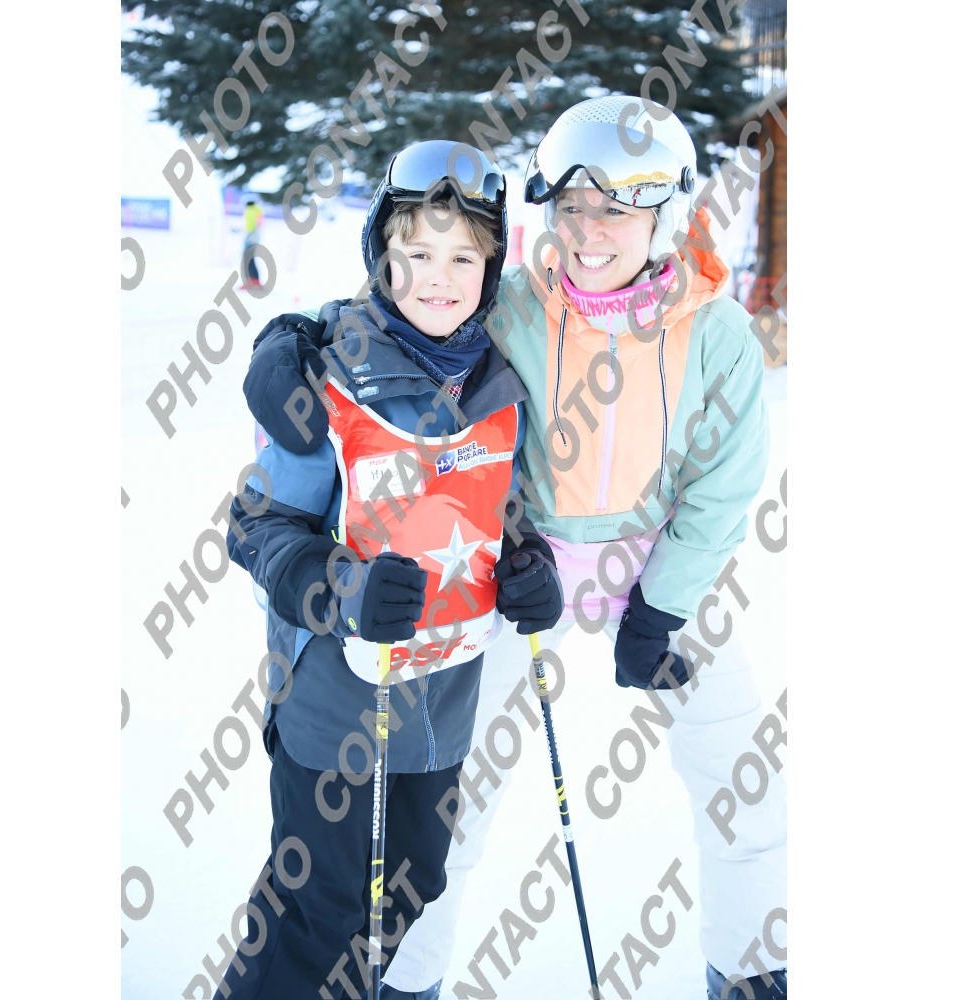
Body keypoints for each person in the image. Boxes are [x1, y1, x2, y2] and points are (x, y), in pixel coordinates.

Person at [239, 99, 786, 1000]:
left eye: (615, 210)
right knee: (457, 793)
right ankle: (405, 979)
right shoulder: (519, 305)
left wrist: (661, 608)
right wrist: (290, 335)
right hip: (521, 566)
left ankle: (756, 967)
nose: (589, 231)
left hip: (662, 563)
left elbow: (725, 485)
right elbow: (409, 299)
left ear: (667, 215)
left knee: (742, 775)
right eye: (571, 208)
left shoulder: (715, 330)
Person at [221, 140, 565, 1000]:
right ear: (381, 254)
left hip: (438, 714)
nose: (437, 279)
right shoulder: (327, 374)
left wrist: (529, 567)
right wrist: (343, 588)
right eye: (416, 254)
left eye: (463, 258)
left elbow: (496, 514)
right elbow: (256, 525)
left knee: (407, 895)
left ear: (491, 269)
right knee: (318, 913)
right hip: (333, 705)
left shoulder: (500, 385)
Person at [242, 195, 264, 288]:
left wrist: (247, 236)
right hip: (255, 238)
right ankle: (254, 281)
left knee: (248, 260)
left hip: (250, 239)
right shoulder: (258, 210)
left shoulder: (250, 211)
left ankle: (251, 281)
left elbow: (251, 226)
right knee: (250, 260)